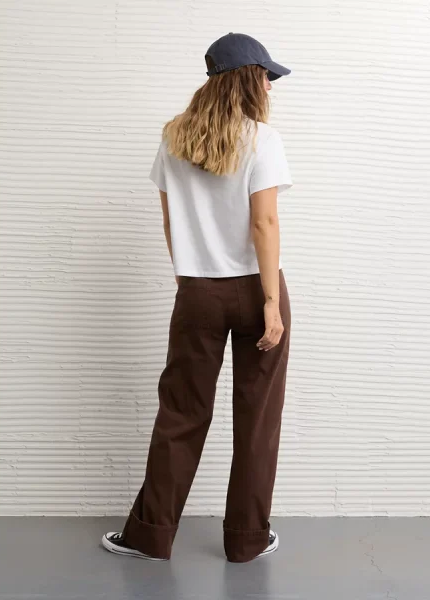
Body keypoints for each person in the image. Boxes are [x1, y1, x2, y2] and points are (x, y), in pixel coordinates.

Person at [102, 32, 293, 564]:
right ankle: (247, 540)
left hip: (197, 291)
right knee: (258, 417)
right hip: (258, 287)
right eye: (266, 77)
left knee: (181, 412)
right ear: (249, 79)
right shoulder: (263, 139)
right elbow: (264, 222)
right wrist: (271, 303)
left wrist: (189, 280)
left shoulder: (174, 138)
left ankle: (148, 537)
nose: (270, 87)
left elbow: (170, 221)